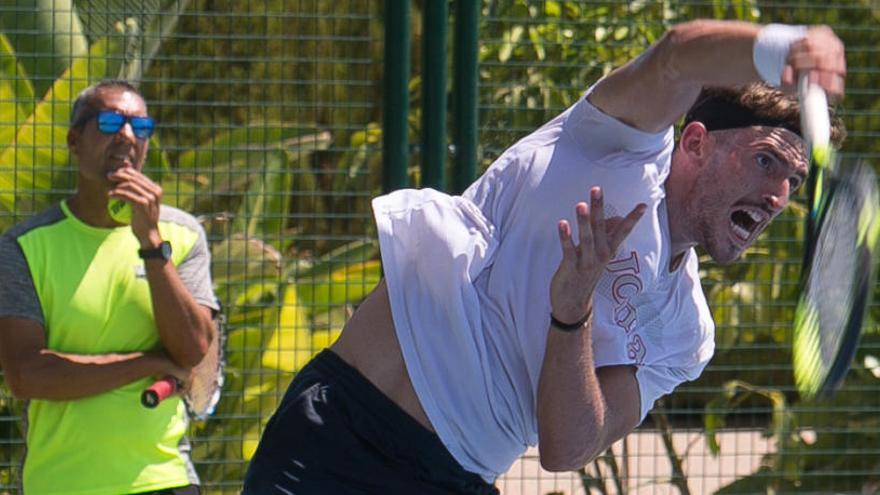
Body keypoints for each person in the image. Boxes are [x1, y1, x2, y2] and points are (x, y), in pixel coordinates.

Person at [242, 20, 847, 494]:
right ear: (693, 142)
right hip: (335, 436)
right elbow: (676, 56)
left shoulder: (687, 333)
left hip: (454, 479)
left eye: (795, 180)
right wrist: (782, 48)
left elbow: (567, 448)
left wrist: (572, 312)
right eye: (767, 160)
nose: (777, 196)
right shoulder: (617, 146)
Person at [0, 80, 219, 494]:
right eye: (110, 121)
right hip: (60, 484)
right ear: (73, 141)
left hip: (164, 479)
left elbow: (191, 351)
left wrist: (151, 244)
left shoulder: (183, 235)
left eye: (141, 126)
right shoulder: (24, 247)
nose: (127, 136)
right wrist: (148, 364)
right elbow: (27, 374)